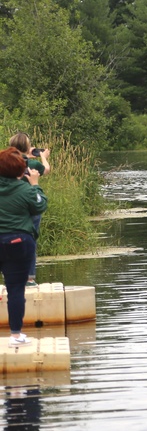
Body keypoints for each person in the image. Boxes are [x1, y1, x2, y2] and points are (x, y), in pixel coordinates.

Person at [0, 147, 48, 347]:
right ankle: (15, 335)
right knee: (16, 289)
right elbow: (40, 206)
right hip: (18, 242)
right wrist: (35, 185)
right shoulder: (26, 189)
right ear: (21, 171)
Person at [8, 134, 50, 288]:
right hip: (30, 205)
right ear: (27, 147)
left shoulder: (6, 164)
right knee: (30, 241)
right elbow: (46, 170)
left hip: (12, 206)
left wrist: (25, 154)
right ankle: (30, 279)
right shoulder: (32, 164)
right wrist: (43, 157)